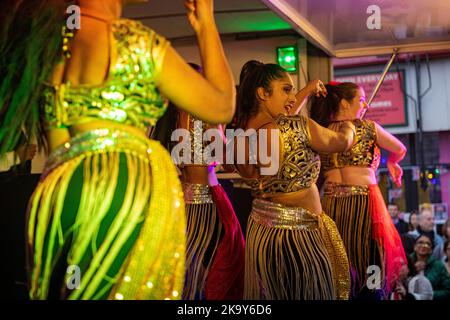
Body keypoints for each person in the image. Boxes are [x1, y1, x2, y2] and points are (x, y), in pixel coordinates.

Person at [0, 0, 235, 300]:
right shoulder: (135, 40)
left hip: (59, 193)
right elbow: (220, 105)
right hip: (121, 192)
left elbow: (59, 146)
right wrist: (206, 25)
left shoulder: (52, 40)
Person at [232, 60, 354, 300]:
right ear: (262, 93)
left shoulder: (240, 135)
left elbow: (278, 121)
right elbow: (340, 143)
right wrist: (349, 128)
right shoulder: (298, 126)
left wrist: (307, 91)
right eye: (286, 89)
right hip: (300, 237)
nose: (291, 97)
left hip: (264, 236)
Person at [152, 63, 245, 300]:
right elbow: (229, 160)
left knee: (205, 267)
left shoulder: (171, 119)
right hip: (185, 205)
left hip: (202, 203)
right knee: (190, 267)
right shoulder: (169, 118)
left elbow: (228, 160)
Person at [309, 81, 407, 299]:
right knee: (371, 257)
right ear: (344, 103)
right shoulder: (368, 128)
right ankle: (371, 294)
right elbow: (400, 148)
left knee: (339, 257)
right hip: (364, 203)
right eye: (361, 100)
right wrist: (393, 162)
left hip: (333, 205)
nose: (366, 105)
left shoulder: (322, 130)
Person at [410, 235, 450, 300]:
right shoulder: (407, 263)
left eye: (427, 244)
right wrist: (413, 269)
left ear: (431, 250)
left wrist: (428, 295)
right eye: (420, 242)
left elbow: (448, 290)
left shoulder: (438, 266)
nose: (424, 245)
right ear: (414, 247)